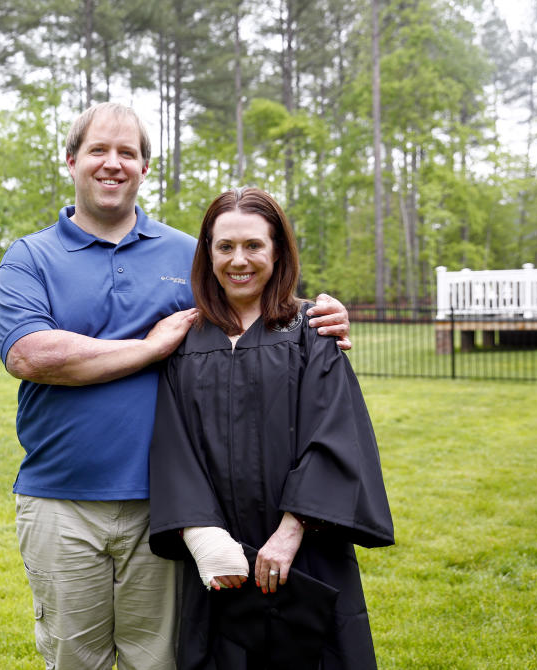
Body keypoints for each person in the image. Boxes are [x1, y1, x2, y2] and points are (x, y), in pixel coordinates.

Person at [0, 103, 352, 670]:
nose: (113, 164)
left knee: (157, 660)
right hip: (60, 500)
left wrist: (320, 317)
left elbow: (250, 298)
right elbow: (30, 355)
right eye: (98, 151)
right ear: (71, 161)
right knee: (72, 660)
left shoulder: (186, 253)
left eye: (127, 153)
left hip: (162, 508)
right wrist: (149, 348)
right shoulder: (30, 256)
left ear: (144, 168)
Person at [148, 187, 395, 670]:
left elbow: (334, 433)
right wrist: (202, 535)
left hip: (306, 550)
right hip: (221, 558)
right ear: (208, 253)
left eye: (254, 246)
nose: (239, 260)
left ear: (277, 250)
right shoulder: (186, 339)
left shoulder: (311, 331)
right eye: (225, 247)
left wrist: (291, 530)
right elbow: (171, 444)